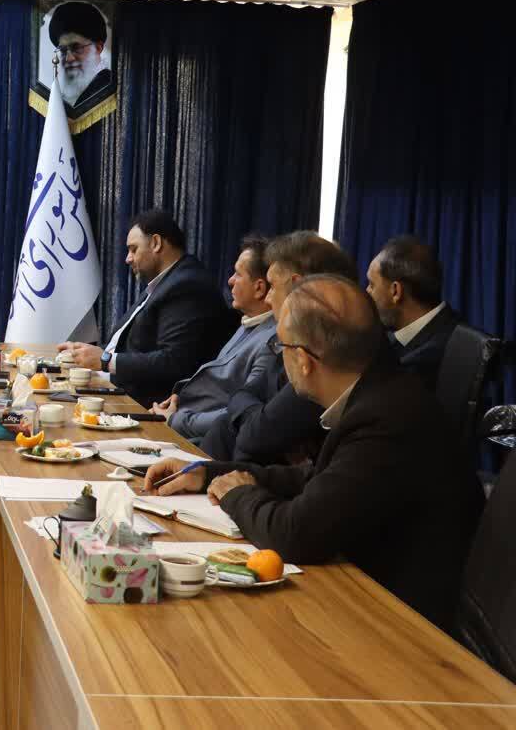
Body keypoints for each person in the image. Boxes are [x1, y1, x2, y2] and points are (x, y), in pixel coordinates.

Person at [143, 274, 482, 630]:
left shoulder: (386, 418)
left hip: (402, 623)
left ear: (303, 361)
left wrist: (237, 494)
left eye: (281, 348)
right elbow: (317, 480)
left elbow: (296, 534)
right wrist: (208, 473)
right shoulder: (381, 391)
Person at [200, 231, 358, 464]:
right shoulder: (288, 339)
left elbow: (258, 436)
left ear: (296, 285)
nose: (267, 298)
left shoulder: (325, 353)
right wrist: (254, 418)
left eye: (272, 286)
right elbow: (242, 394)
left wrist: (251, 421)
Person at [58, 209, 235, 408]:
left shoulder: (187, 285)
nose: (128, 258)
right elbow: (127, 347)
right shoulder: (165, 282)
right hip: (114, 390)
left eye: (133, 249)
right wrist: (84, 353)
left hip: (143, 406)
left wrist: (106, 360)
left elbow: (174, 361)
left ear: (156, 243)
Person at [152, 235, 276, 444]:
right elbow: (218, 383)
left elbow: (240, 414)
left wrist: (175, 419)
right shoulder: (248, 323)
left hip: (204, 442)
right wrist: (181, 399)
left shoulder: (271, 341)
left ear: (259, 288)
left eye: (238, 274)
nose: (230, 280)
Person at [366, 235, 459, 392]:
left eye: (371, 284)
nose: (367, 292)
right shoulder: (452, 325)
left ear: (395, 291)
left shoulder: (418, 365)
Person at [48, 1, 113, 108]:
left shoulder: (109, 88)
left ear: (98, 48)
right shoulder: (64, 95)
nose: (68, 58)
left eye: (76, 48)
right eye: (63, 51)